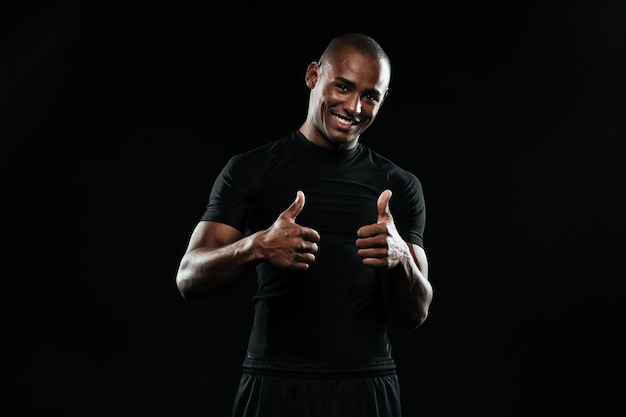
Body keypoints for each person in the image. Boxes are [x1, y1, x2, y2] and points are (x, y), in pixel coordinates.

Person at [175, 33, 433, 417]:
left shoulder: (399, 186)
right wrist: (257, 245)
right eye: (343, 86)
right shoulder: (253, 169)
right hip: (275, 382)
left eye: (370, 96)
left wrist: (401, 258)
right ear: (314, 75)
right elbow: (188, 278)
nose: (354, 107)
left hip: (366, 386)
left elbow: (418, 312)